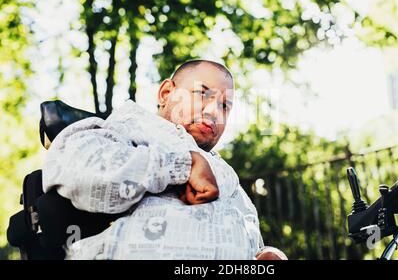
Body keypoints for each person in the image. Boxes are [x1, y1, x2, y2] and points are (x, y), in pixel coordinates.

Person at [42, 59, 287, 260]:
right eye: (202, 94)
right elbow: (78, 169)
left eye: (225, 106)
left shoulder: (228, 178)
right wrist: (183, 165)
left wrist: (265, 254)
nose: (214, 111)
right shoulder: (126, 129)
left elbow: (252, 243)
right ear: (166, 92)